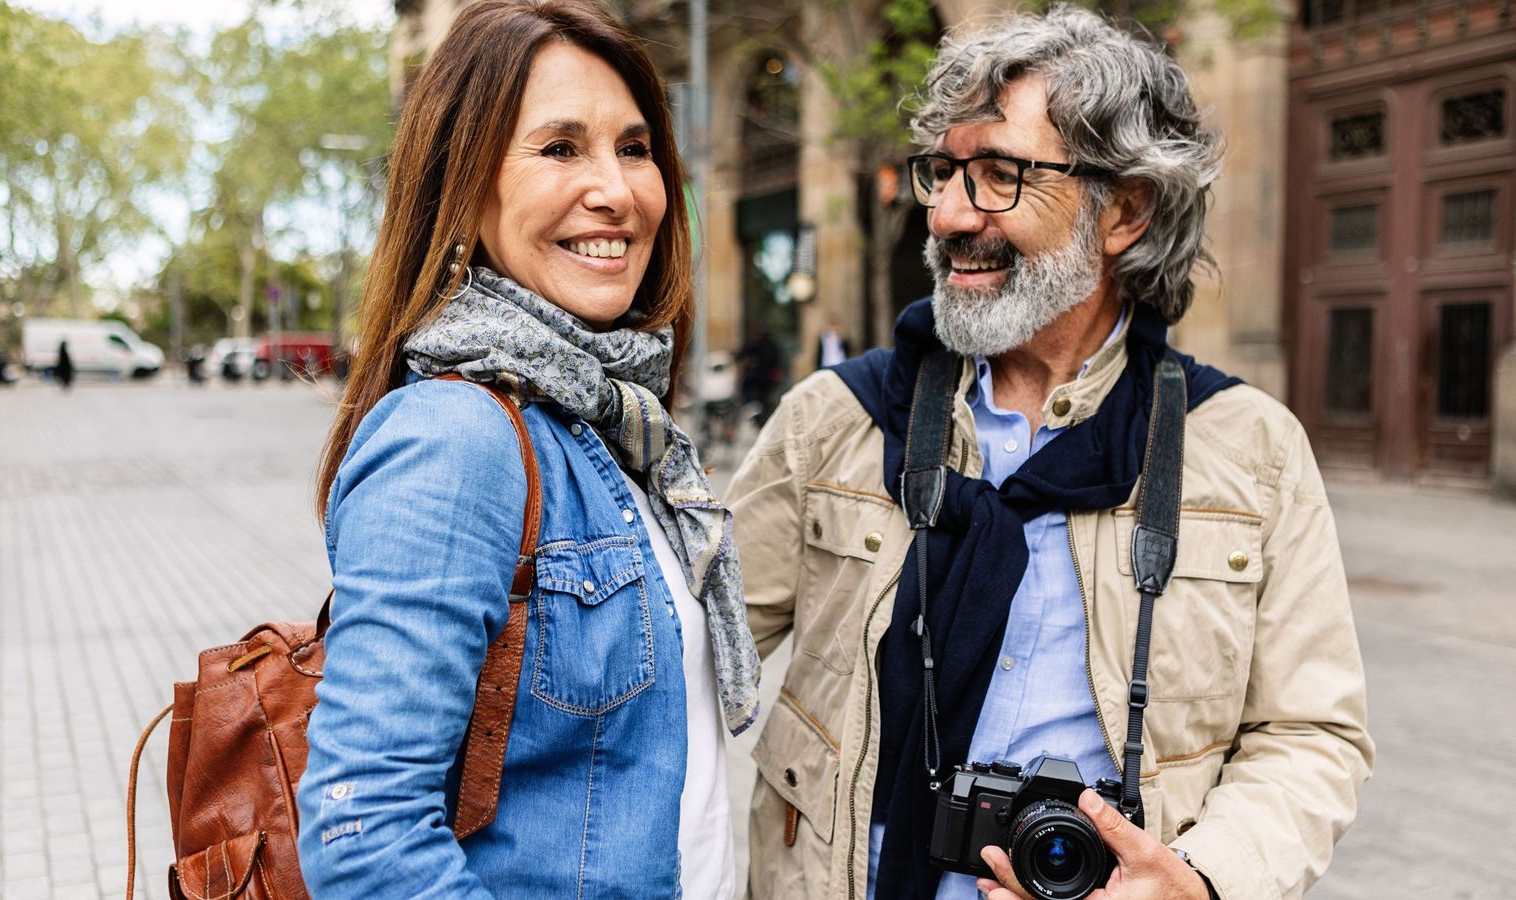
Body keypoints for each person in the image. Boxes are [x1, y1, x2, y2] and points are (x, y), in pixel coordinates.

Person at [727, 7, 1373, 900]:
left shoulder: (1251, 451)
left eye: (1000, 176)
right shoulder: (834, 421)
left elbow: (1310, 734)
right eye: (944, 171)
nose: (949, 213)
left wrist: (1200, 880)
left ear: (1124, 212)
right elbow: (690, 650)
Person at [296, 2, 760, 896]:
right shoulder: (454, 436)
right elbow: (364, 835)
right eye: (559, 148)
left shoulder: (613, 425)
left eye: (634, 148)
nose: (618, 191)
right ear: (465, 187)